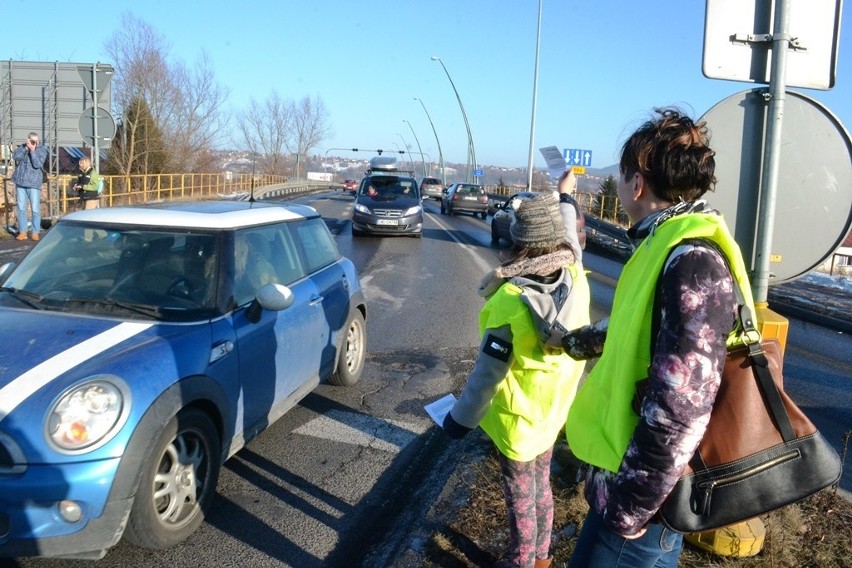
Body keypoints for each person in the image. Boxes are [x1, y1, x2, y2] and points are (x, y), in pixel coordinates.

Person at [562, 108, 753, 567]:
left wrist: (629, 507)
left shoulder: (691, 260)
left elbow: (682, 403)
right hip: (635, 489)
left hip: (645, 504)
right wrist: (570, 342)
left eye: (624, 173)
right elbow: (637, 329)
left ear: (637, 184)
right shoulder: (664, 244)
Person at [442, 192, 591, 568]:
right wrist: (565, 197)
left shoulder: (511, 301)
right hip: (552, 414)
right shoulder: (575, 275)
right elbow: (572, 239)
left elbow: (485, 377)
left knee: (521, 499)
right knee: (543, 490)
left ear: (518, 245)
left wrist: (458, 421)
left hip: (519, 425)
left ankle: (521, 562)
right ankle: (541, 560)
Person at [12, 131, 48, 241]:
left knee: (35, 209)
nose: (34, 143)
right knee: (21, 208)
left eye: (36, 141)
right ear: (28, 140)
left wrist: (33, 151)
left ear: (38, 140)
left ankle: (35, 232)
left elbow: (37, 164)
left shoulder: (42, 150)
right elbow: (15, 157)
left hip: (33, 183)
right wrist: (25, 148)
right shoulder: (23, 147)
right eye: (32, 141)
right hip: (21, 182)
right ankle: (23, 231)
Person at [556, 168, 583, 262]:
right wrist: (564, 194)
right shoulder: (570, 266)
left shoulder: (510, 273)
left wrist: (564, 195)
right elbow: (570, 245)